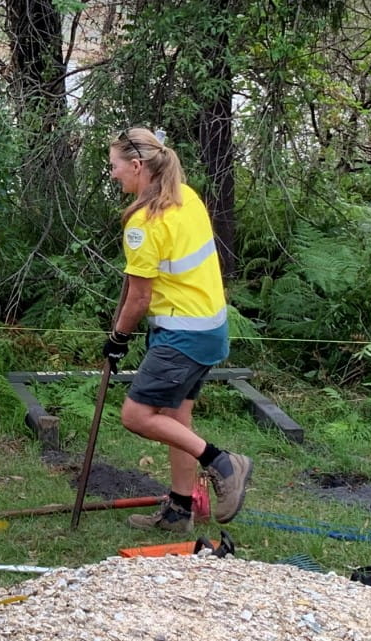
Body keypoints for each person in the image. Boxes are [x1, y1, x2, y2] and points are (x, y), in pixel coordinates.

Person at [103, 126, 252, 532]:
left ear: (136, 166)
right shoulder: (187, 197)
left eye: (115, 166)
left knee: (136, 415)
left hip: (182, 334)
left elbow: (138, 298)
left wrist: (117, 338)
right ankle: (179, 510)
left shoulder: (142, 222)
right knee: (175, 418)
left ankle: (223, 462)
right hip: (209, 327)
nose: (113, 174)